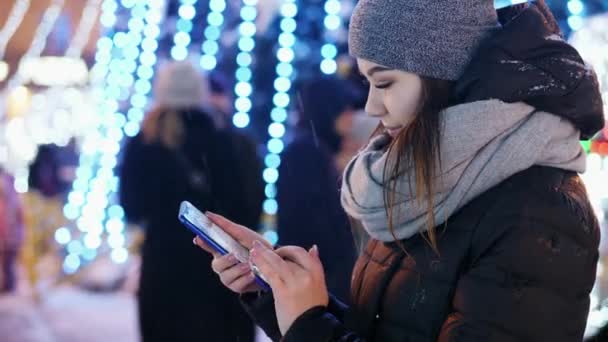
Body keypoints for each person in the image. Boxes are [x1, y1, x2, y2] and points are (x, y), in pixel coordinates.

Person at [194, 1, 604, 341]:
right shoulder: (415, 179)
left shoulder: (538, 211)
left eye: (385, 83)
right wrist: (281, 294)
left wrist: (309, 324)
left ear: (443, 73)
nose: (371, 106)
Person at [119, 61, 262, 342]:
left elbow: (131, 206)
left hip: (163, 264)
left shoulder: (144, 142)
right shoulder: (225, 139)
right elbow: (245, 203)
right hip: (218, 263)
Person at [275, 76, 358, 303]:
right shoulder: (307, 152)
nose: (351, 116)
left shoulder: (315, 149)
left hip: (317, 273)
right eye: (345, 109)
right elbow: (318, 223)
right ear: (329, 111)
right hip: (318, 275)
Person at [0, 169, 23, 293]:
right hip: (10, 237)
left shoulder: (11, 202)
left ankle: (9, 287)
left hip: (11, 237)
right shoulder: (13, 200)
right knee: (7, 263)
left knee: (8, 263)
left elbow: (18, 219)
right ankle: (9, 286)